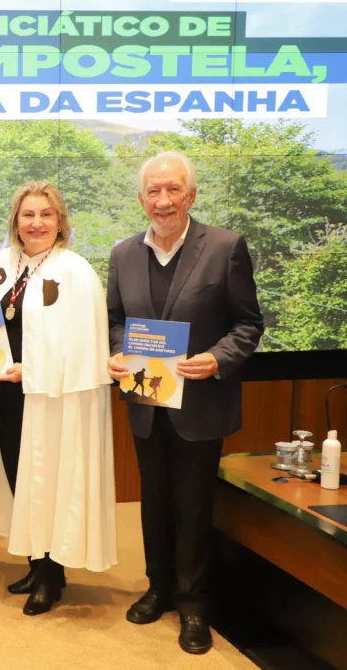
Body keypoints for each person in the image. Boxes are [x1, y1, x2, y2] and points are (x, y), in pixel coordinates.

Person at [107, 151, 263, 654]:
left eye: (173, 190)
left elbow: (248, 324)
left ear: (191, 195)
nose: (163, 200)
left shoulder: (225, 247)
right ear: (141, 199)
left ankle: (194, 605)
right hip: (147, 401)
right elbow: (114, 319)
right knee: (154, 501)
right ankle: (158, 587)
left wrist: (217, 359)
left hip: (201, 404)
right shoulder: (123, 253)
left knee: (194, 504)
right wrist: (116, 352)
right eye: (153, 191)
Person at [0, 181, 117, 617]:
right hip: (4, 394)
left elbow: (85, 343)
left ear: (60, 221)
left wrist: (34, 367)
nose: (37, 222)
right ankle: (35, 562)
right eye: (28, 214)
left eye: (46, 214)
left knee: (51, 479)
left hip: (53, 396)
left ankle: (51, 575)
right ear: (15, 221)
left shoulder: (76, 271)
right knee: (19, 476)